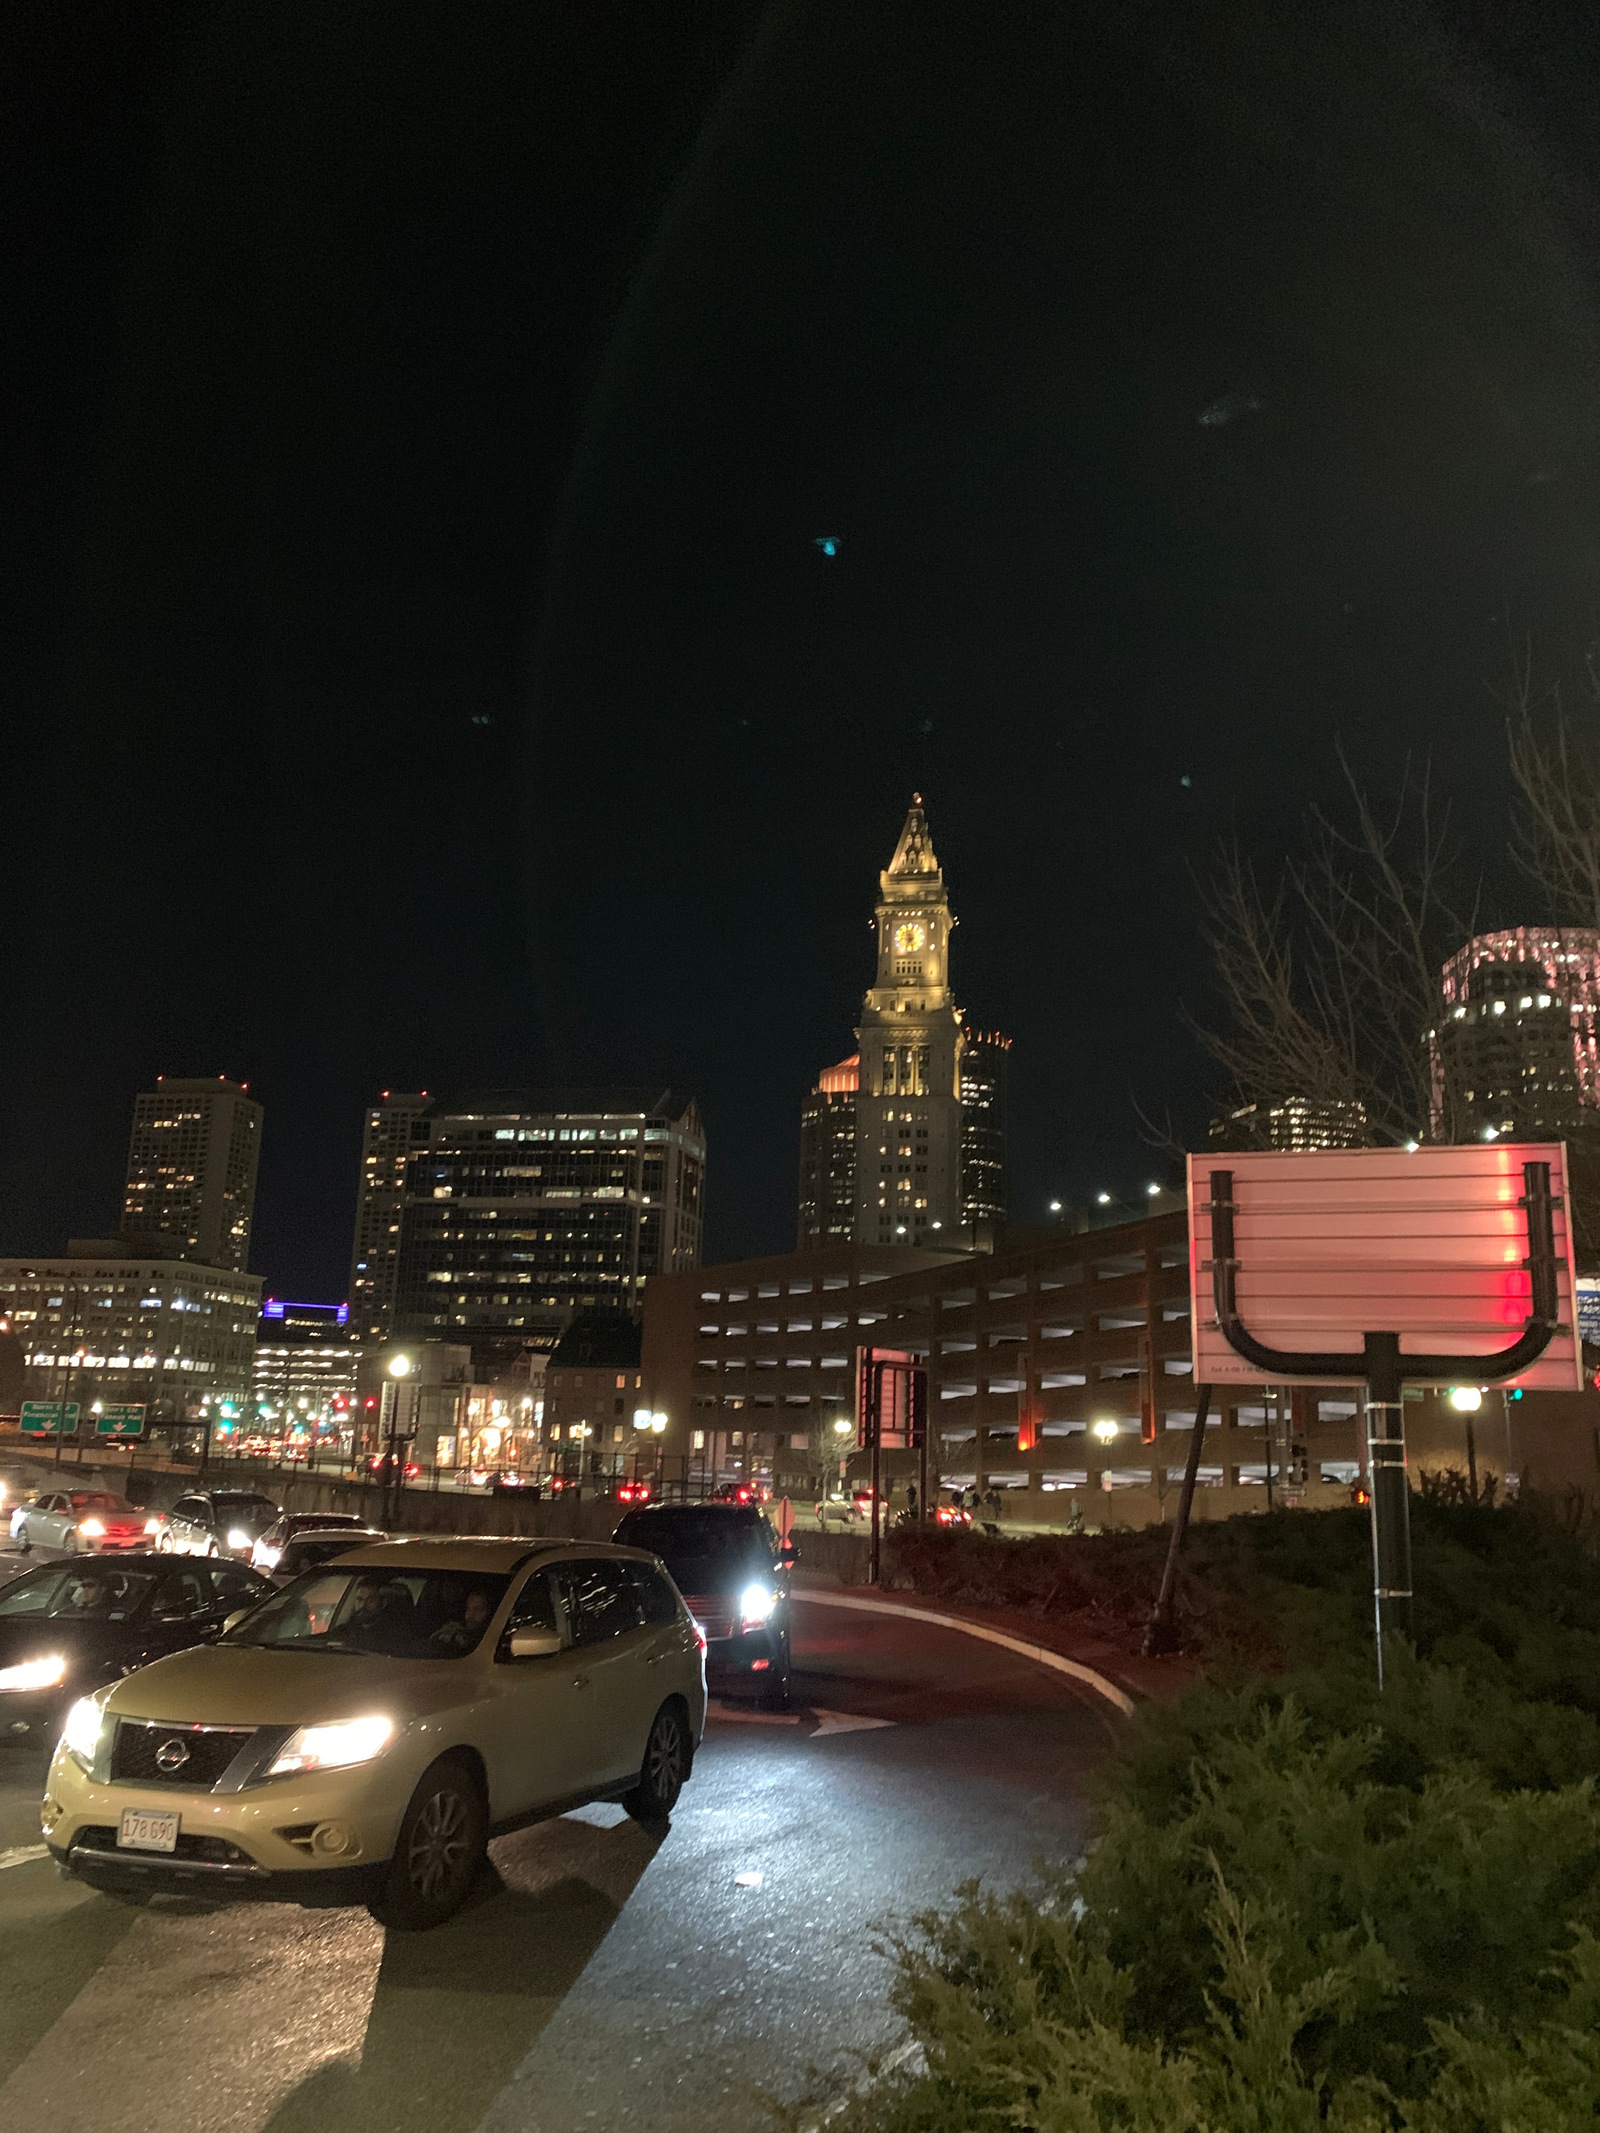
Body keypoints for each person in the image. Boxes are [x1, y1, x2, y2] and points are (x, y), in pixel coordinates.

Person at [432, 1587, 493, 1652]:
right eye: (468, 1608)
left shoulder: (490, 1639)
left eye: (477, 1609)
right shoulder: (457, 1630)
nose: (469, 1615)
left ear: (487, 1612)